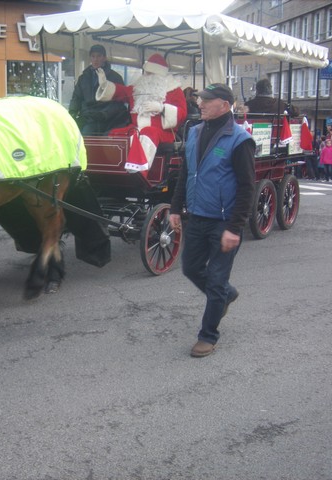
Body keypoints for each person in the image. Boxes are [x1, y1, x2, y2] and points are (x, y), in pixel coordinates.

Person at [168, 83, 255, 358]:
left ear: (225, 105)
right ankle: (226, 295)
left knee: (216, 280)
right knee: (191, 268)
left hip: (223, 221)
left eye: (207, 100)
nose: (201, 104)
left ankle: (208, 335)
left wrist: (234, 227)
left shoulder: (239, 140)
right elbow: (186, 174)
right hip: (196, 216)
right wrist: (174, 208)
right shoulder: (194, 132)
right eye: (200, 100)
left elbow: (247, 187)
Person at [95, 53, 187, 173]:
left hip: (163, 132)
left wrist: (162, 108)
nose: (146, 76)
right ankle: (113, 170)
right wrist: (104, 85)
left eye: (150, 73)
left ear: (159, 75)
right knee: (115, 133)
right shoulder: (138, 88)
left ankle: (139, 171)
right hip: (137, 128)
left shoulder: (174, 90)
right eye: (146, 72)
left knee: (147, 132)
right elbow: (121, 92)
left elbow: (182, 113)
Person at [68, 45, 130, 136]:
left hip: (110, 120)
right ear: (90, 58)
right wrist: (72, 112)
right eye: (93, 56)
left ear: (104, 58)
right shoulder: (83, 78)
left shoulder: (115, 77)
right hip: (88, 118)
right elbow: (77, 97)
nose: (95, 59)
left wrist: (105, 114)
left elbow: (120, 101)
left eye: (98, 56)